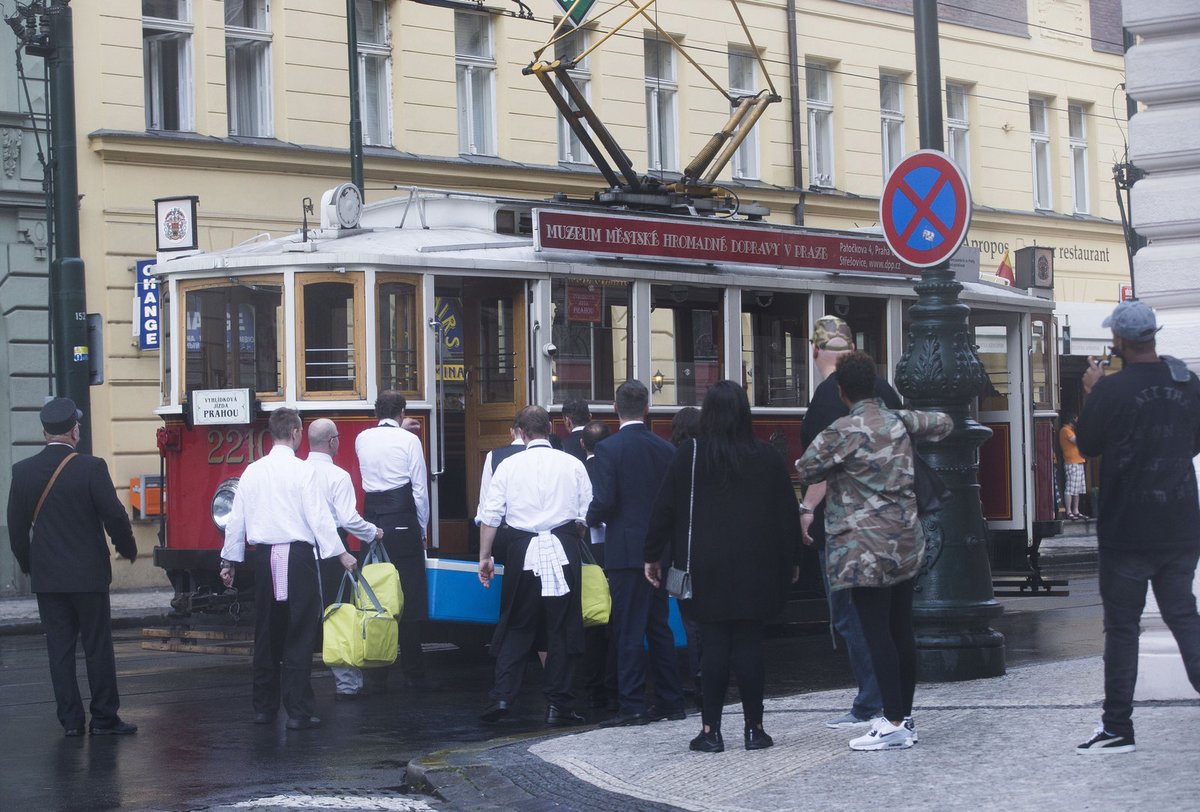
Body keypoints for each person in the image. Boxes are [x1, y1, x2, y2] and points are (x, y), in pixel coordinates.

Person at [796, 352, 952, 751]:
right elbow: (943, 423)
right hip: (906, 543)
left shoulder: (842, 430)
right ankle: (906, 716)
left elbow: (806, 466)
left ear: (841, 390)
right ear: (876, 384)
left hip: (865, 550)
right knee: (902, 629)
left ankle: (892, 721)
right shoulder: (900, 420)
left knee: (876, 632)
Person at [1073, 300, 1200, 754]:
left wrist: (1091, 392)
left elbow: (1086, 446)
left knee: (1123, 629)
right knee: (1184, 617)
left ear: (1119, 341)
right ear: (1154, 334)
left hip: (1127, 529)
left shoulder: (1111, 390)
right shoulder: (1187, 383)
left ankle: (1117, 728)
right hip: (1182, 523)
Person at [646, 381, 800, 753]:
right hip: (757, 566)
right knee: (750, 644)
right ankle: (754, 729)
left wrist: (651, 554)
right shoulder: (766, 456)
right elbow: (786, 515)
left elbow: (664, 509)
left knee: (713, 646)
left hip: (704, 565)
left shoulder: (691, 454)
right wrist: (792, 559)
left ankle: (711, 730)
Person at [6, 397, 139, 736]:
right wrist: (127, 548)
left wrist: (28, 565)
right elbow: (114, 515)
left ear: (43, 433)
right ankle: (105, 718)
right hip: (89, 576)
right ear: (74, 431)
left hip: (48, 578)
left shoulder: (22, 472)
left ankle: (70, 722)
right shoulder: (91, 468)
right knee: (97, 647)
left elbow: (17, 529)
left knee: (59, 650)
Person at [219, 408, 358, 730]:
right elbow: (318, 518)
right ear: (296, 433)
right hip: (297, 558)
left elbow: (236, 521)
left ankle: (263, 708)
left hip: (265, 557)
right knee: (300, 633)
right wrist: (340, 554)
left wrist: (229, 562)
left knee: (267, 632)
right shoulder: (302, 471)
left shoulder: (252, 471)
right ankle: (298, 711)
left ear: (272, 433)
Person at [798, 315, 901, 730]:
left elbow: (826, 464)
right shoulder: (884, 390)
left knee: (850, 616)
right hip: (891, 523)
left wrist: (806, 509)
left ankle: (870, 702)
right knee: (886, 616)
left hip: (846, 527)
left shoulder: (828, 397)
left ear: (814, 350)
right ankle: (892, 701)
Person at [477, 406, 593, 726]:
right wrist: (569, 538)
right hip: (564, 546)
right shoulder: (572, 463)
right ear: (550, 428)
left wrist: (484, 557)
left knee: (516, 623)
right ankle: (559, 704)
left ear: (521, 432)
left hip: (520, 549)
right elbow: (585, 515)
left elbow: (490, 516)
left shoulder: (508, 465)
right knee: (562, 627)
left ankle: (502, 695)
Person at [587, 380, 686, 727]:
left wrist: (587, 520)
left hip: (626, 553)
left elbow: (605, 500)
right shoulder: (666, 449)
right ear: (647, 409)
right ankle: (671, 699)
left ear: (616, 409)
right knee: (659, 627)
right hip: (660, 551)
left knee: (628, 629)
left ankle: (632, 704)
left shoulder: (609, 450)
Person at [355, 390, 431, 691]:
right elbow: (419, 489)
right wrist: (422, 528)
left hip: (372, 521)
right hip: (402, 520)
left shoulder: (362, 438)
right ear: (401, 412)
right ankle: (413, 672)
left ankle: (377, 670)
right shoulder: (409, 441)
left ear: (376, 413)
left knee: (376, 594)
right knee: (409, 596)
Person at [305, 418, 384, 700]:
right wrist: (373, 532)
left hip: (300, 553)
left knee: (302, 618)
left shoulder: (298, 472)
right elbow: (348, 519)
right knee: (337, 615)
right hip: (332, 552)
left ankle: (298, 684)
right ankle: (347, 683)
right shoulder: (337, 476)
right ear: (333, 441)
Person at [579, 419, 615, 710]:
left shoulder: (579, 469)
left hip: (587, 552)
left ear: (583, 444)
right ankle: (611, 680)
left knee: (592, 618)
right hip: (613, 550)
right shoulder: (613, 467)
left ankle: (591, 683)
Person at [669, 406, 704, 705]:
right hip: (713, 551)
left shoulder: (675, 459)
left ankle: (698, 674)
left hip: (683, 553)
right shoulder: (714, 458)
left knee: (689, 618)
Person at [1059, 412, 1087, 520]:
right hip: (1071, 462)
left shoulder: (1072, 431)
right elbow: (1077, 441)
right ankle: (1069, 511)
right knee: (1070, 488)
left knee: (1078, 488)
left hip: (1079, 461)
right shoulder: (1065, 430)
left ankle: (1076, 510)